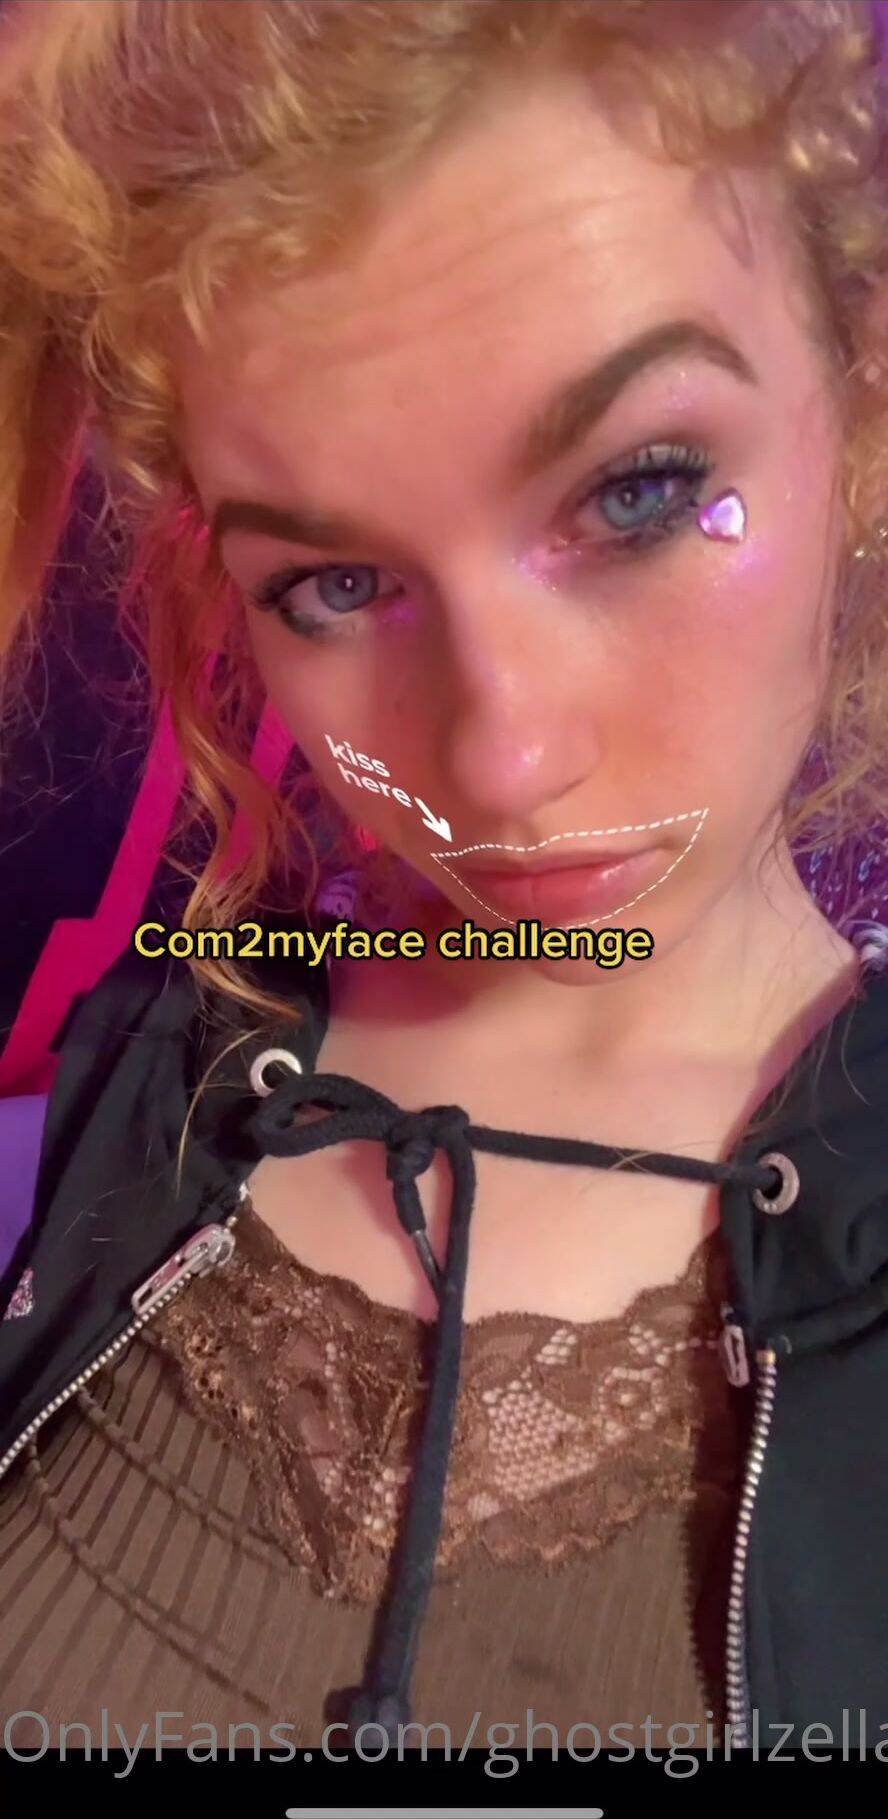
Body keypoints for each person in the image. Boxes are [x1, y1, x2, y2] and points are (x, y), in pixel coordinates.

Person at [2, 0, 888, 1759]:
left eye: (641, 492)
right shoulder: (166, 1064)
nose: (501, 759)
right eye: (334, 586)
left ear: (856, 416)